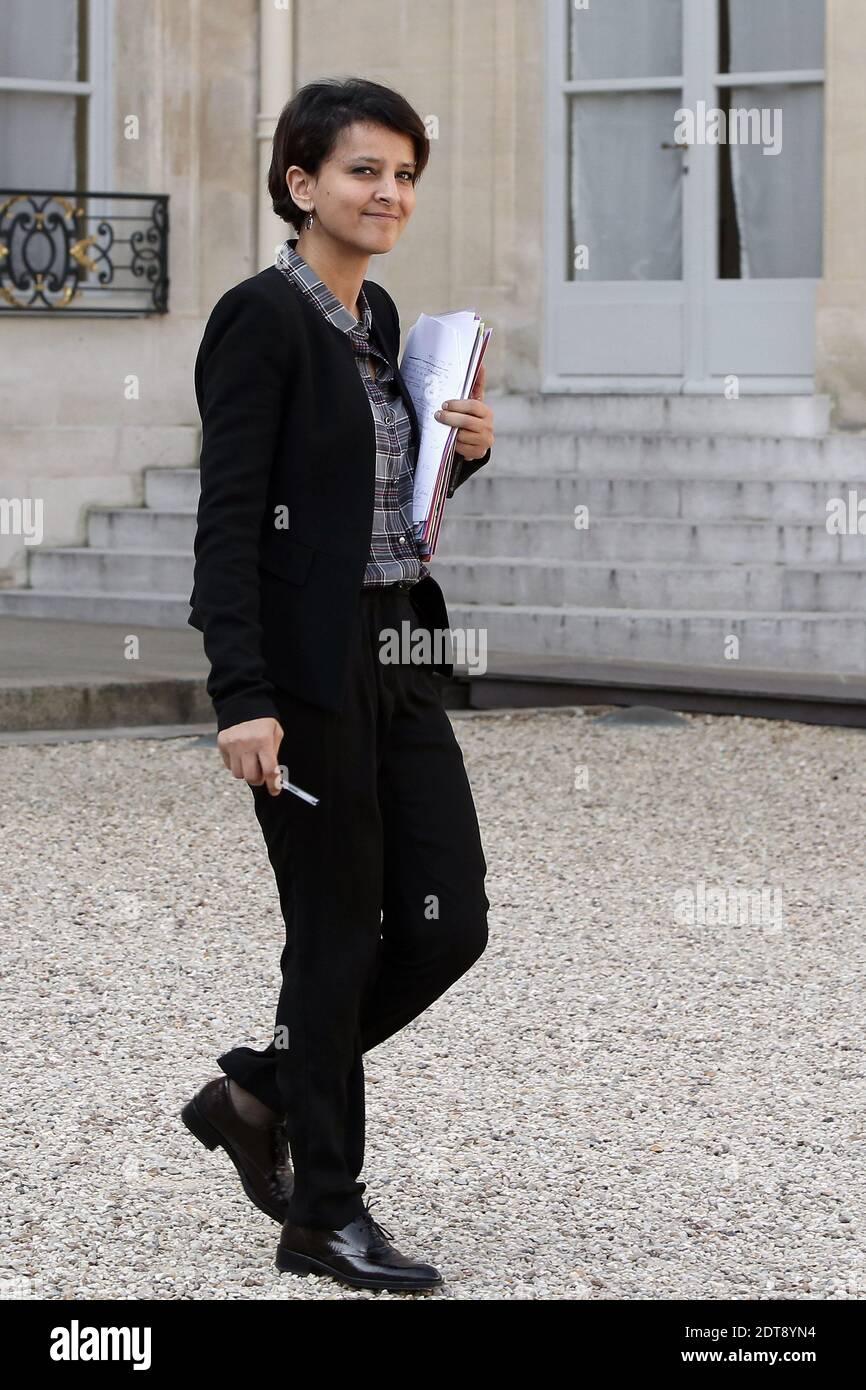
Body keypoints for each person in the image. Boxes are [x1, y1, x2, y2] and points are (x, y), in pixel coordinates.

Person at [181, 76, 494, 1293]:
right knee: (334, 931)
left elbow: (372, 516)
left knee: (447, 920)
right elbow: (227, 527)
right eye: (366, 171)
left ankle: (258, 1089)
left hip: (400, 654)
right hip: (304, 679)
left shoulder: (381, 324)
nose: (389, 194)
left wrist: (457, 457)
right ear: (301, 184)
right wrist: (238, 693)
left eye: (406, 175)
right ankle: (323, 1211)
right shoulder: (259, 320)